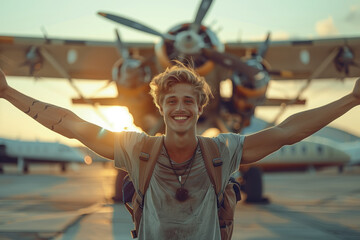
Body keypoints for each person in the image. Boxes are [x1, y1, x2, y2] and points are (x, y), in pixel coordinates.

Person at [0, 65, 359, 240]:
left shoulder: (223, 150)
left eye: (189, 100)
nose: (180, 107)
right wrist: (8, 92)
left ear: (201, 107)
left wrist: (352, 98)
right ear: (161, 108)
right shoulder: (135, 148)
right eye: (171, 101)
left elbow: (287, 132)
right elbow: (68, 122)